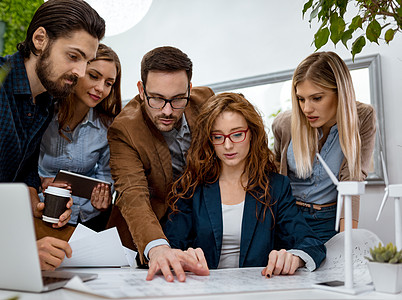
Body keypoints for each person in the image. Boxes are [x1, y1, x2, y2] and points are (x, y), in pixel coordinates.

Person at [0, 0, 105, 270]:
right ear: (40, 39)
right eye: (73, 56)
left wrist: (38, 203)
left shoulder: (44, 104)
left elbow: (24, 175)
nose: (81, 73)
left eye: (87, 62)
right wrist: (14, 253)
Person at [160, 93, 326, 281]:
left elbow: (310, 242)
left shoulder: (276, 187)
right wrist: (182, 256)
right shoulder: (191, 187)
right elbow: (171, 245)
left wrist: (295, 258)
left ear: (251, 134)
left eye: (237, 134)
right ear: (209, 140)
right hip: (203, 289)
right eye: (218, 137)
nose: (228, 145)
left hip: (258, 289)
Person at [106, 46, 214, 278]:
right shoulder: (124, 129)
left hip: (199, 220)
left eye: (177, 99)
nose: (167, 111)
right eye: (156, 99)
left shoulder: (206, 101)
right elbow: (132, 193)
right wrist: (157, 247)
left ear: (189, 90)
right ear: (141, 90)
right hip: (150, 225)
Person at [272, 51, 376, 243]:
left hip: (329, 221)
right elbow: (275, 180)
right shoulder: (284, 124)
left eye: (317, 98)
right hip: (287, 218)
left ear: (340, 93)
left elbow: (352, 181)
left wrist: (347, 244)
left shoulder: (363, 118)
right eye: (301, 99)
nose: (306, 109)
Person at [38, 44, 122, 232]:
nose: (100, 88)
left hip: (85, 222)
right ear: (78, 71)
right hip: (38, 213)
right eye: (94, 76)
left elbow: (105, 178)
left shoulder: (107, 128)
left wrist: (102, 200)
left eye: (109, 83)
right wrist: (41, 181)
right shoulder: (42, 113)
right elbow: (19, 167)